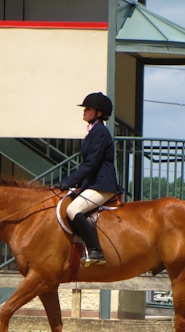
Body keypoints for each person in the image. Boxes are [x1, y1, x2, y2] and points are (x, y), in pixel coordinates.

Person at [54, 92, 121, 264]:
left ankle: (96, 251)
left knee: (73, 210)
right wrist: (77, 186)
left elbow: (91, 164)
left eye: (88, 108)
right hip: (92, 184)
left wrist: (69, 181)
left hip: (102, 185)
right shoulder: (93, 131)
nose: (84, 111)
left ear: (98, 113)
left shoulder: (100, 132)